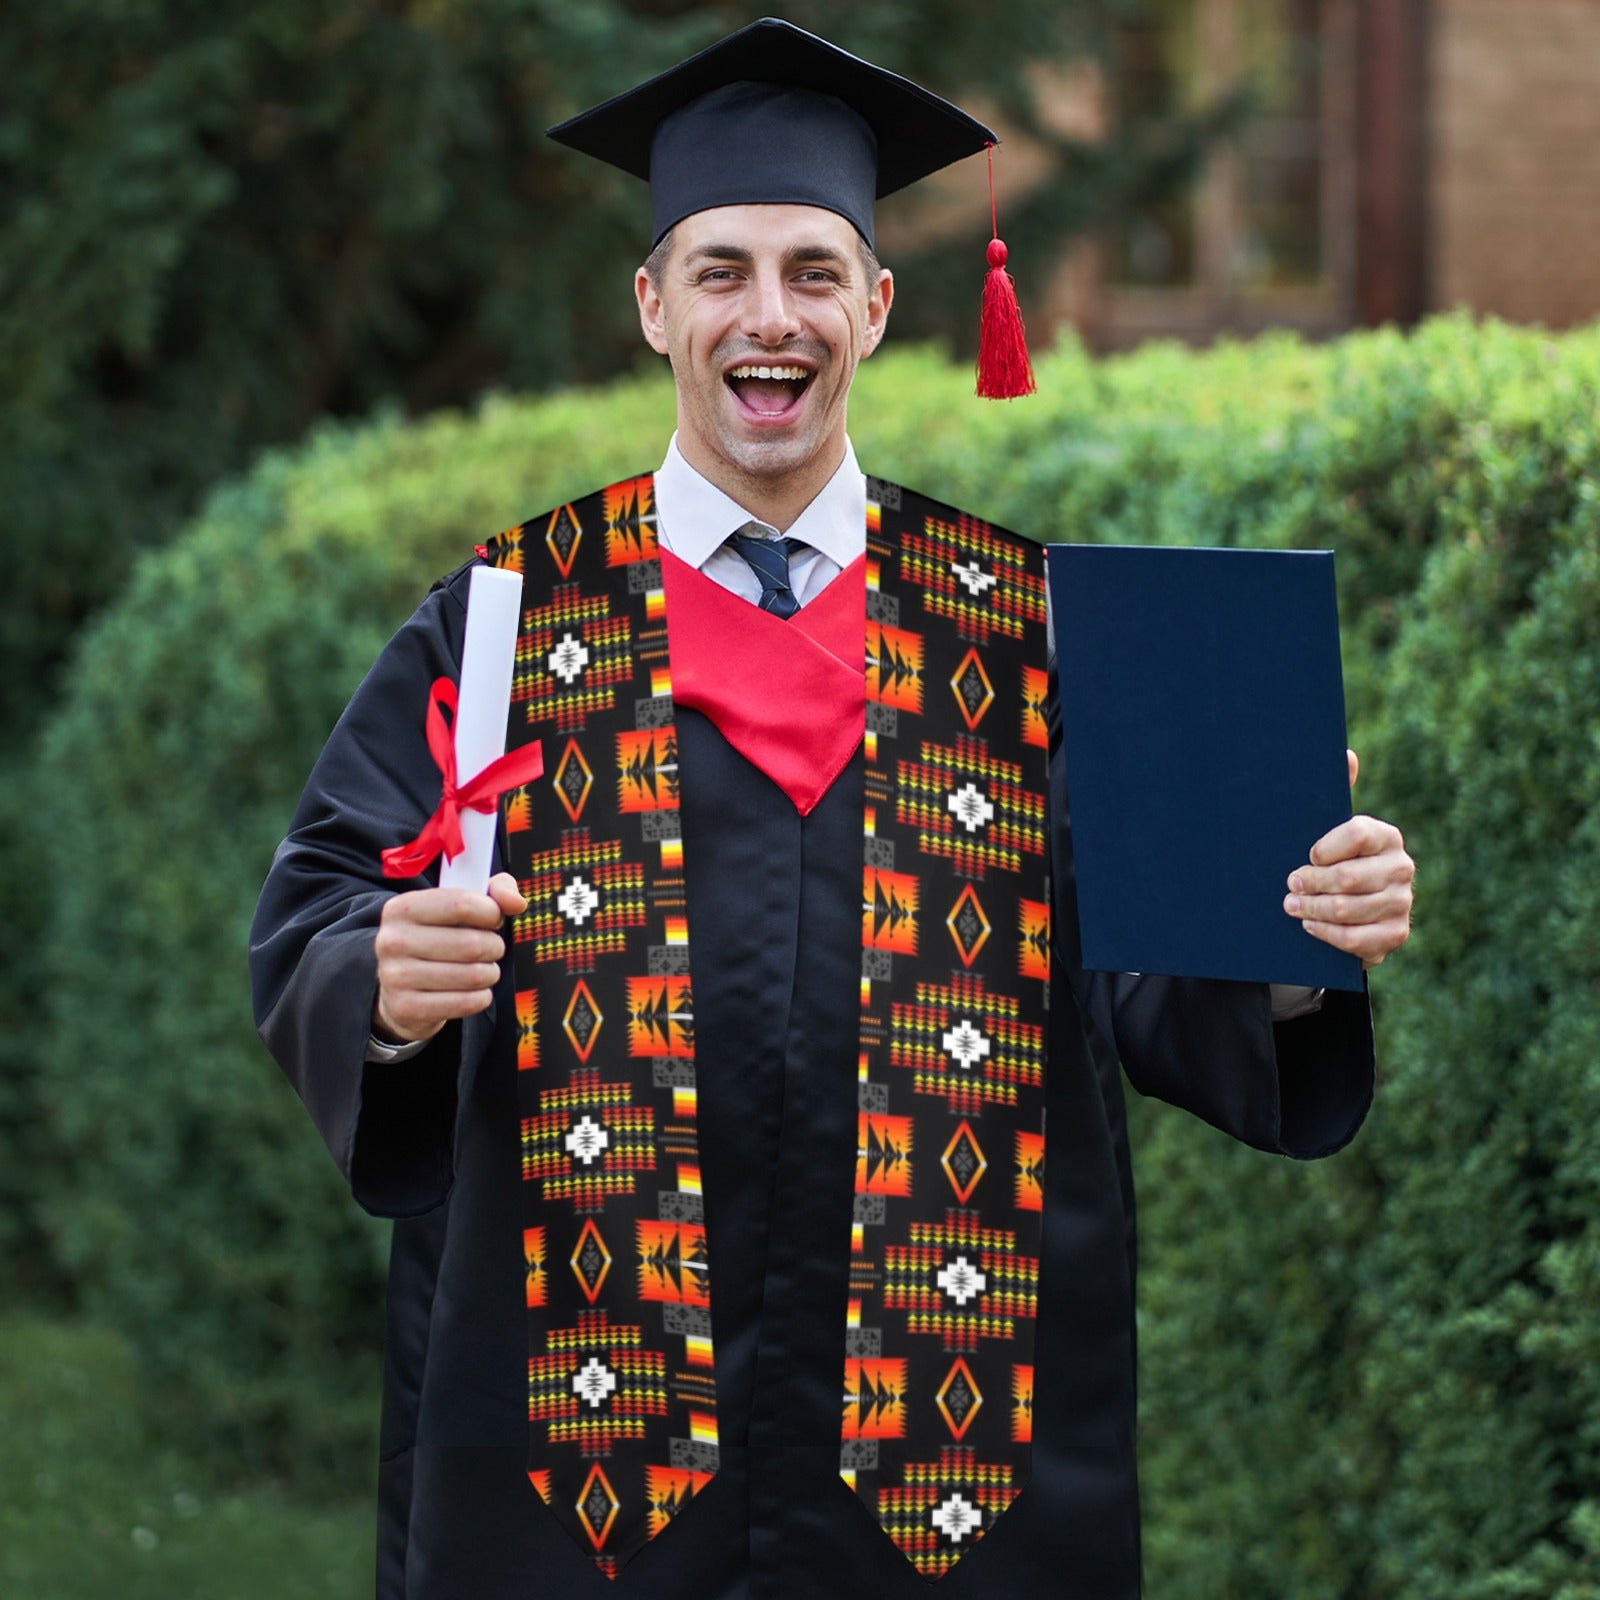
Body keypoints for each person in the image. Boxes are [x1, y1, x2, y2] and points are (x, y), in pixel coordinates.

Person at [249, 19, 1414, 1600]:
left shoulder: (1029, 630)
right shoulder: (512, 623)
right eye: (721, 270)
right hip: (585, 1460)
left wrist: (1293, 935)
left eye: (812, 270)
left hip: (953, 1456)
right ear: (654, 305)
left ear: (877, 305)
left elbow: (1152, 979)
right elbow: (323, 901)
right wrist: (379, 984)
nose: (768, 317)